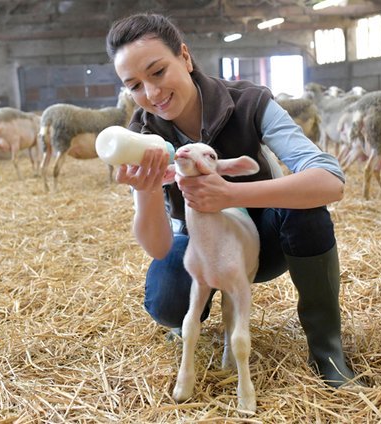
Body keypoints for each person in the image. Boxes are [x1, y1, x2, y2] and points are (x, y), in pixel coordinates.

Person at [106, 13, 360, 388]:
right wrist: (145, 192)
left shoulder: (250, 102)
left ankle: (327, 350)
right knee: (166, 302)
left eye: (158, 72)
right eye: (135, 86)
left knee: (304, 205)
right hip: (201, 246)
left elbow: (329, 181)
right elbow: (158, 246)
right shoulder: (142, 136)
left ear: (185, 58)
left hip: (264, 239)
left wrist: (231, 193)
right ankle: (189, 321)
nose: (152, 93)